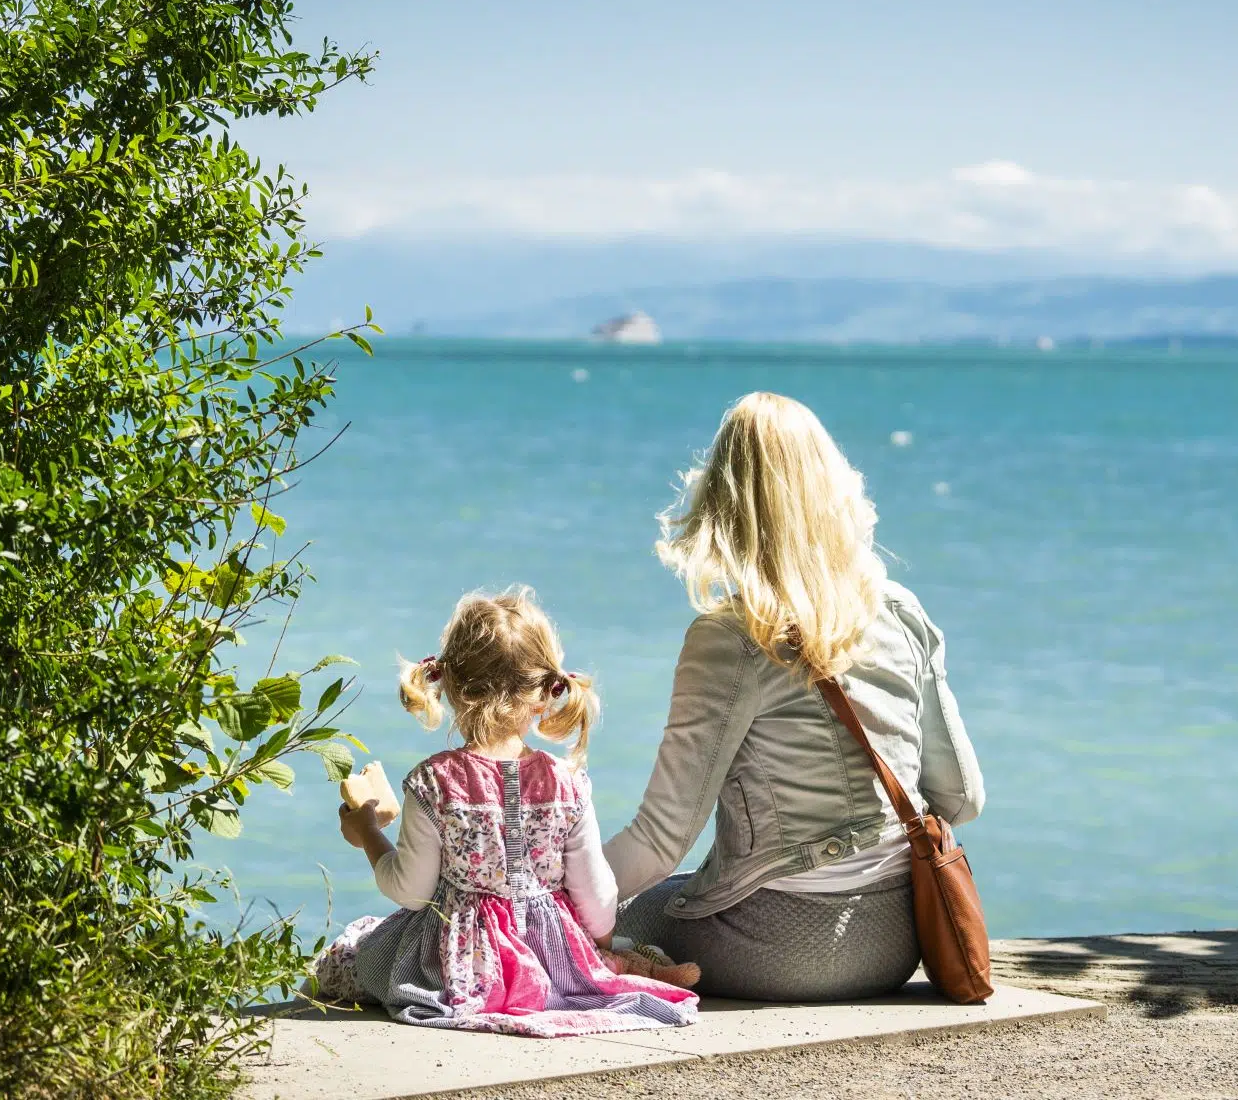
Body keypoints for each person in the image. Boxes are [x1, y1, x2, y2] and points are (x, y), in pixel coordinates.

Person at [605, 392, 987, 1002]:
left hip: (775, 948)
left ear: (722, 503)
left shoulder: (731, 637)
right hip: (898, 941)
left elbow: (660, 839)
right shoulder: (901, 612)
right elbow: (962, 799)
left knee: (604, 915)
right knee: (661, 892)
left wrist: (543, 892)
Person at [314, 589, 700, 1036]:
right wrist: (594, 954)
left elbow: (411, 893)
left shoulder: (434, 782)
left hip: (459, 969)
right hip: (553, 963)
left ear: (450, 685)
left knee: (347, 956)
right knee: (616, 952)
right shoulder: (567, 782)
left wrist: (368, 834)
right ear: (544, 694)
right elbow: (597, 901)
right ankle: (629, 966)